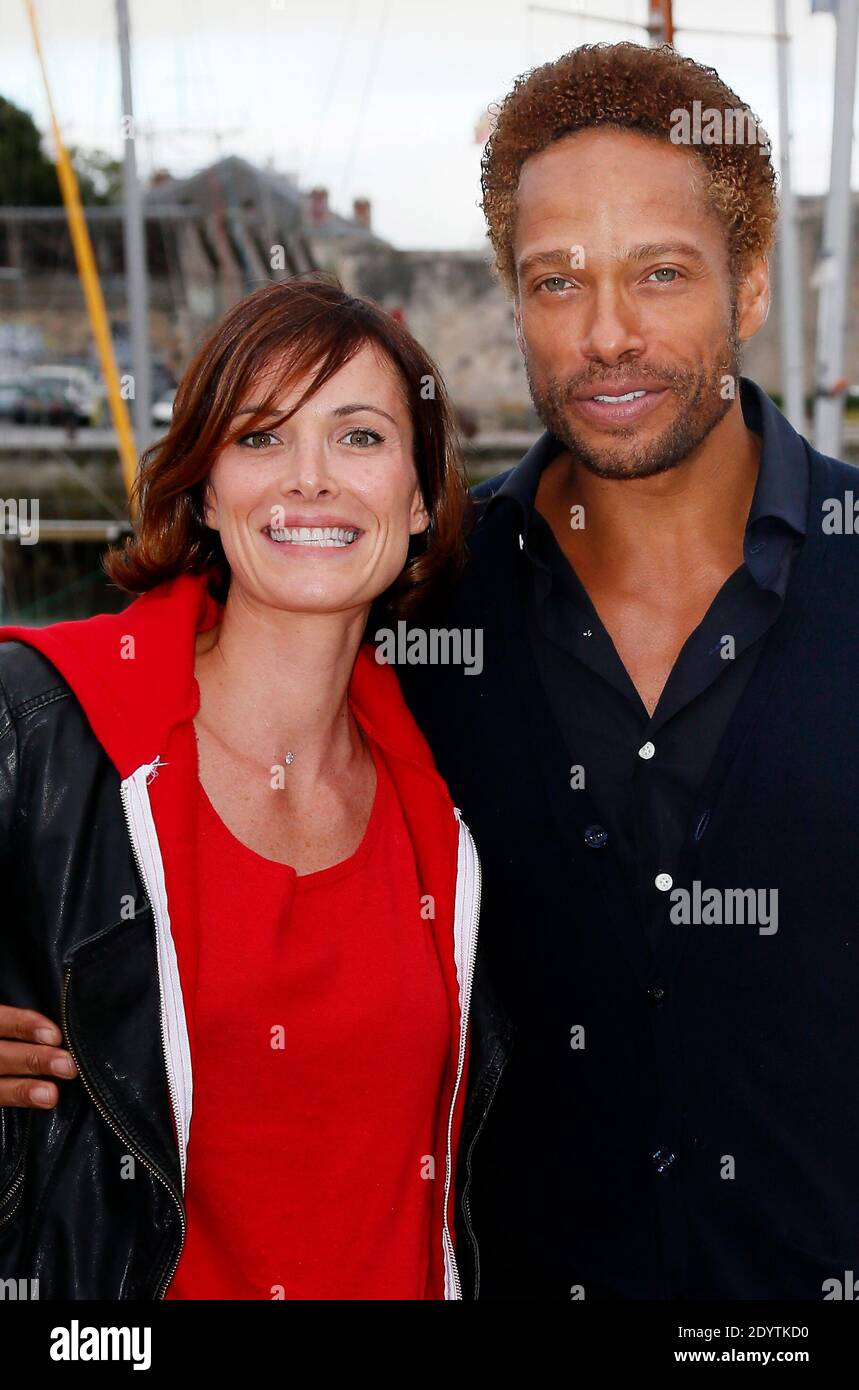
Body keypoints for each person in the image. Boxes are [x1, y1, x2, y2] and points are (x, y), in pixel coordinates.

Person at [395, 41, 859, 1300]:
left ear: (750, 286)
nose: (607, 335)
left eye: (659, 273)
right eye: (557, 281)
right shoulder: (410, 604)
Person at [0, 276, 481, 1300]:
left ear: (419, 496)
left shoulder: (447, 804)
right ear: (206, 488)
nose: (309, 479)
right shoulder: (42, 720)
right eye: (260, 437)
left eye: (358, 437)